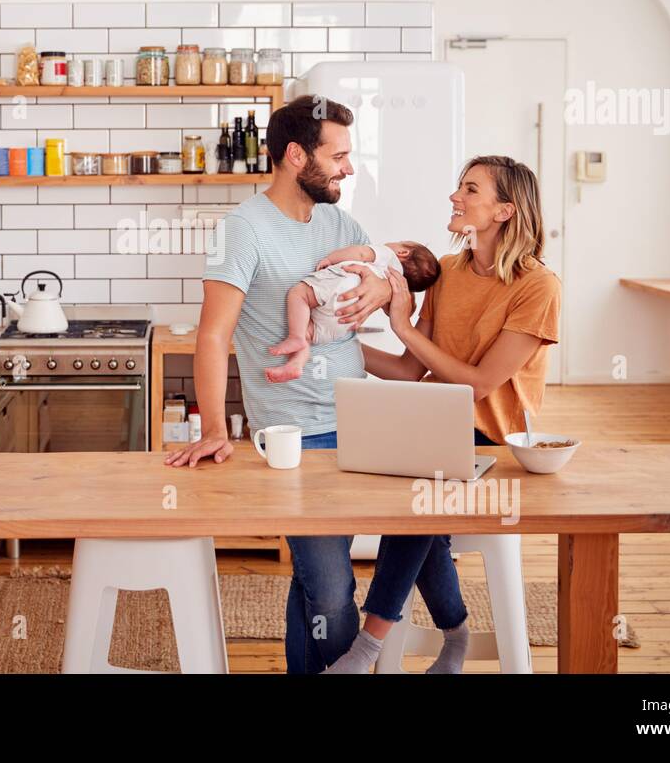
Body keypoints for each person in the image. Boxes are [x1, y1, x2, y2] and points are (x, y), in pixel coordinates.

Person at [164, 93, 387, 674]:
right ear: (295, 155)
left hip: (359, 423)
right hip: (297, 432)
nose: (348, 167)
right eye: (337, 155)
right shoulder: (244, 228)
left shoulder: (342, 222)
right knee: (335, 591)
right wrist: (216, 428)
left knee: (316, 581)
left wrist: (386, 289)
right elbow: (212, 336)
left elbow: (379, 285)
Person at [321, 155, 562, 674]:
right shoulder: (447, 272)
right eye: (458, 186)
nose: (455, 197)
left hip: (492, 444)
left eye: (470, 189)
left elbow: (477, 385)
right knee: (417, 501)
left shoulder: (537, 287)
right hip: (434, 430)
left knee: (417, 504)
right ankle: (455, 637)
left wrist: (402, 326)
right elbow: (411, 372)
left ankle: (367, 648)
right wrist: (334, 347)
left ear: (504, 211)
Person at [265, 241, 440, 382]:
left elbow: (362, 253)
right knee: (309, 335)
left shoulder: (386, 255)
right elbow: (398, 310)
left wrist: (330, 259)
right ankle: (296, 363)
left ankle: (294, 337)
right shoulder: (398, 287)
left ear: (403, 253)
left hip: (344, 284)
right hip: (344, 320)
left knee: (299, 295)